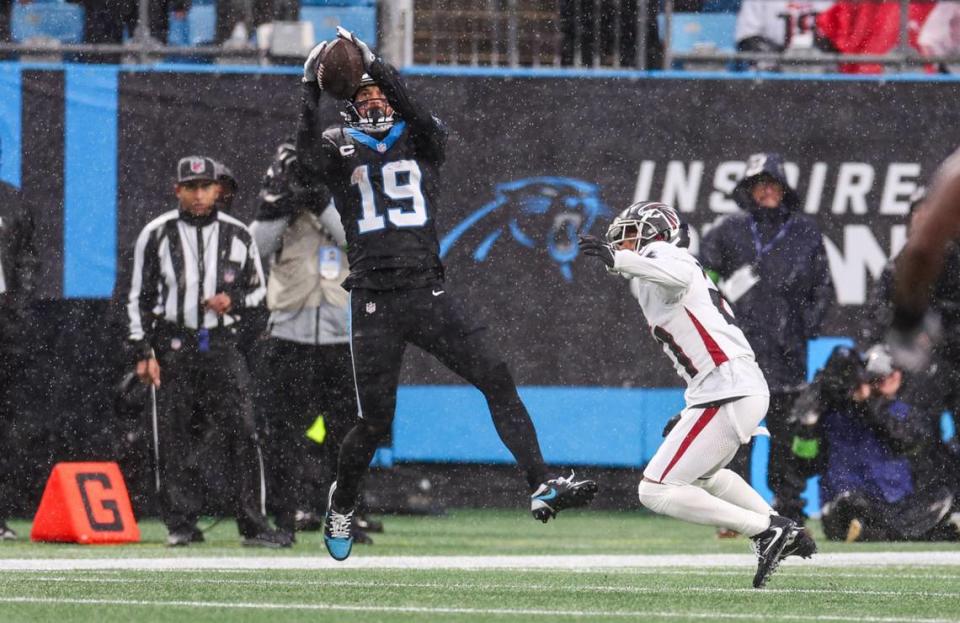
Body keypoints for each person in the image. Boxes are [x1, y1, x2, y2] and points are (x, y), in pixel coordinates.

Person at [296, 29, 597, 561]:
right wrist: (308, 89)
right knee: (373, 422)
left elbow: (414, 108)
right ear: (346, 104)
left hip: (425, 290)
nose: (372, 101)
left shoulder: (421, 137)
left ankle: (540, 482)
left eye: (379, 93)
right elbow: (303, 164)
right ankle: (342, 500)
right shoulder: (335, 148)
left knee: (496, 377)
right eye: (360, 94)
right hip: (373, 297)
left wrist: (377, 65)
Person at [578, 201, 816, 589]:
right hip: (728, 386)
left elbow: (674, 274)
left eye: (631, 236)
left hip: (730, 387)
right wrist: (691, 409)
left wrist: (619, 260)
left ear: (657, 233)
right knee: (706, 475)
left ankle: (762, 531)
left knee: (654, 490)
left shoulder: (666, 255)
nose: (623, 244)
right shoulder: (654, 272)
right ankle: (778, 524)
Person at [125, 155, 289, 548]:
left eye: (205, 187)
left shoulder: (238, 234)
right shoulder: (157, 233)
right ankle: (180, 524)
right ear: (177, 190)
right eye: (191, 187)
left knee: (243, 432)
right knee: (174, 435)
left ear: (218, 189)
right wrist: (143, 350)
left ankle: (252, 522)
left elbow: (260, 292)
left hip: (220, 342)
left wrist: (231, 300)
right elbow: (138, 298)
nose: (199, 195)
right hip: (174, 344)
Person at [249, 139, 376, 544]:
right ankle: (284, 521)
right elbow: (255, 249)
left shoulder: (348, 200)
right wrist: (279, 202)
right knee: (284, 433)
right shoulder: (280, 204)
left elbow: (355, 240)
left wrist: (323, 201)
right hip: (288, 333)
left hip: (339, 335)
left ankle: (344, 519)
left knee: (343, 435)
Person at [698, 153, 834, 526]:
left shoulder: (805, 233)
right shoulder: (728, 231)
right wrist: (720, 320)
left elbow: (823, 288)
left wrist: (804, 325)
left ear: (784, 189)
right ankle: (733, 513)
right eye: (759, 185)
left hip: (788, 351)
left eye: (772, 184)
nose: (767, 191)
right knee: (734, 432)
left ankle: (788, 507)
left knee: (786, 432)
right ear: (748, 191)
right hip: (740, 351)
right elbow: (702, 277)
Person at [816, 345, 960, 542]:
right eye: (875, 378)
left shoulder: (901, 412)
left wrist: (871, 403)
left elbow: (907, 440)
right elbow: (807, 457)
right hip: (851, 503)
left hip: (893, 504)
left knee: (941, 494)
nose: (883, 382)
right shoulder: (838, 412)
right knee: (852, 504)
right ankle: (921, 533)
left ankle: (880, 532)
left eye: (884, 376)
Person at [0, 144, 37, 541]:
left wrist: (18, 308)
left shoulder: (11, 201)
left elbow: (28, 260)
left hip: (2, 323)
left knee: (4, 421)